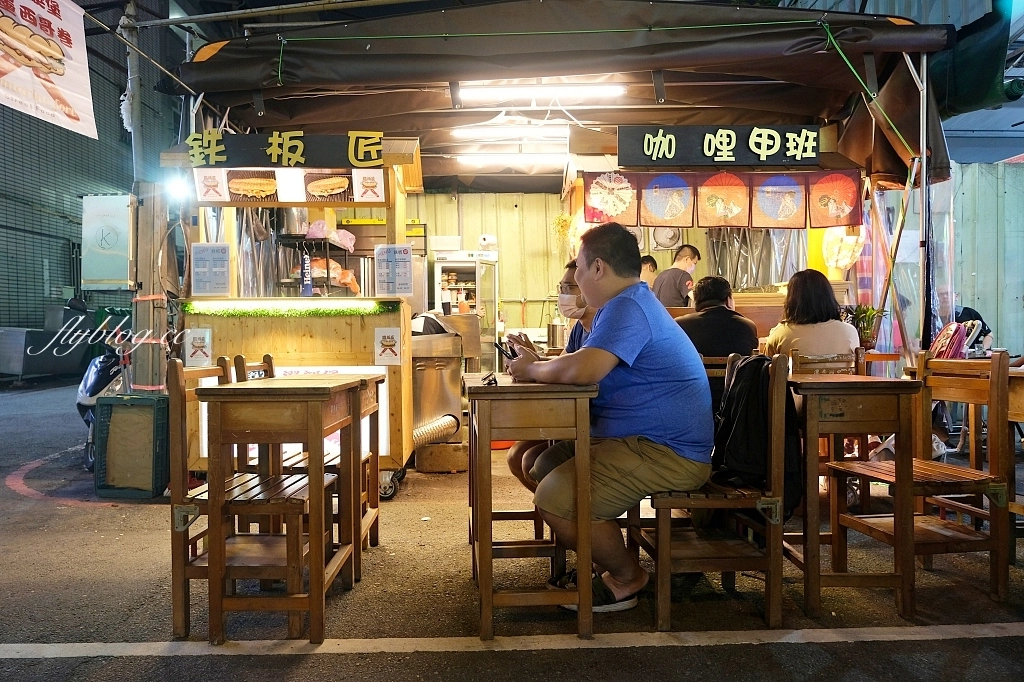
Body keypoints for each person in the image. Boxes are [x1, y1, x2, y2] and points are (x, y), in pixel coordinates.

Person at [507, 222, 713, 613]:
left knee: (553, 498)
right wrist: (539, 365)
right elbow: (581, 362)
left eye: (580, 270)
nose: (576, 281)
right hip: (636, 441)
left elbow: (585, 368)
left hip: (666, 451)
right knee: (545, 464)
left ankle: (626, 577)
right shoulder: (626, 303)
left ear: (599, 267)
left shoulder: (628, 306)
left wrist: (532, 368)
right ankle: (602, 554)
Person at [504, 260, 596, 492]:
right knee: (516, 455)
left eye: (569, 287)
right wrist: (532, 357)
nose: (563, 294)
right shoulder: (578, 327)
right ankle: (555, 510)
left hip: (594, 420)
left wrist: (532, 366)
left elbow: (573, 370)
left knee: (531, 460)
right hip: (575, 415)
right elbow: (562, 364)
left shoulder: (604, 326)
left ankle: (571, 510)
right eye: (561, 288)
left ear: (590, 286)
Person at [675, 276, 759, 411]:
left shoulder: (679, 325)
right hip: (737, 405)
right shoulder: (747, 326)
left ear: (696, 302)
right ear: (728, 300)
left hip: (692, 402)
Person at [763, 269, 859, 358]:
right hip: (841, 372)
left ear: (792, 300)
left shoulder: (780, 334)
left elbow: (767, 366)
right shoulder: (849, 332)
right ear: (828, 297)